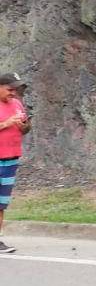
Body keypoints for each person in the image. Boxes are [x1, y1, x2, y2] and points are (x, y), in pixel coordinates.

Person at [0, 73, 30, 254]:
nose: (13, 93)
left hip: (11, 159)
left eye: (15, 89)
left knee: (1, 204)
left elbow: (26, 128)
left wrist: (23, 126)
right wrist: (5, 123)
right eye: (9, 89)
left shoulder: (17, 103)